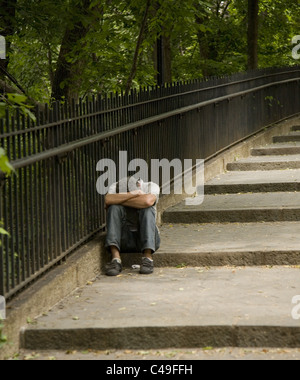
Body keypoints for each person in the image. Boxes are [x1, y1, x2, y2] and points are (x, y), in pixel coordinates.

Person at [105, 176, 161, 276]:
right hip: (123, 239)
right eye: (124, 194)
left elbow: (147, 201)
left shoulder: (151, 186)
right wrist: (133, 195)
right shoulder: (115, 186)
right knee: (113, 208)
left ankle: (148, 258)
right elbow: (108, 200)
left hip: (146, 238)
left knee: (147, 209)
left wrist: (119, 199)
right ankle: (115, 259)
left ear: (139, 186)